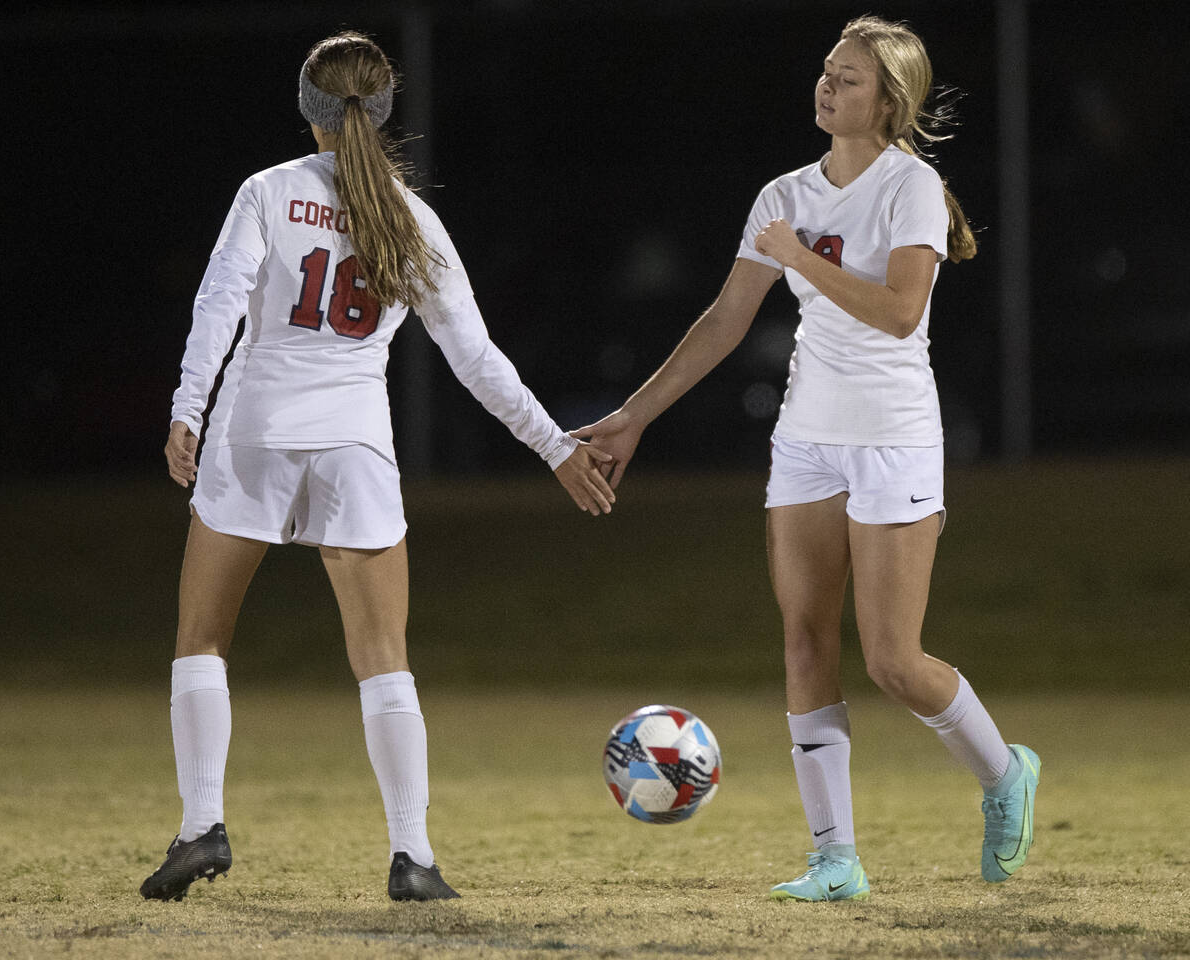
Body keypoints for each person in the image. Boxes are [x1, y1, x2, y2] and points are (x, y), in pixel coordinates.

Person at [140, 31, 615, 905]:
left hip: (254, 433)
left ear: (306, 107)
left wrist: (185, 408)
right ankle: (414, 857)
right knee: (383, 659)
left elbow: (218, 306)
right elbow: (476, 358)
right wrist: (555, 447)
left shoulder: (269, 193)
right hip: (355, 443)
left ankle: (201, 827)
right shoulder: (411, 217)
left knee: (202, 639)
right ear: (386, 109)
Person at [575, 15, 1039, 902]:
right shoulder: (782, 193)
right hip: (806, 442)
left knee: (895, 661)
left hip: (894, 437)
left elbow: (902, 313)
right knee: (803, 640)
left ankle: (1002, 773)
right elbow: (724, 319)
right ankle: (836, 860)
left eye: (850, 78)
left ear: (889, 100)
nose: (828, 87)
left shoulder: (913, 188)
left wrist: (800, 257)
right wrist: (633, 418)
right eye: (827, 71)